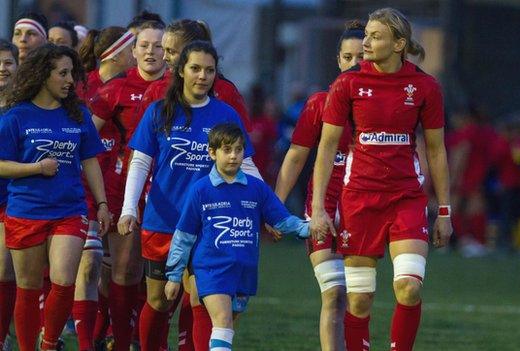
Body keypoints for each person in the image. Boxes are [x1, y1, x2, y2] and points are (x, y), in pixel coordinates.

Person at [309, 8, 452, 351]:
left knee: (409, 287)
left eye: (375, 36)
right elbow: (327, 147)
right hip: (359, 199)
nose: (366, 42)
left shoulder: (425, 87)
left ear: (399, 43)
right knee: (358, 302)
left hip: (406, 198)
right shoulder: (348, 83)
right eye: (367, 35)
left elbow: (436, 150)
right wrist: (317, 207)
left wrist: (444, 212)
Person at [117, 41, 255, 351]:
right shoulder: (159, 111)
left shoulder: (225, 114)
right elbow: (140, 162)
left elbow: (246, 165)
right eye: (195, 68)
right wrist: (129, 208)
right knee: (158, 299)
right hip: (162, 221)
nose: (202, 76)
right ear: (181, 71)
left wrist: (266, 211)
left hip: (208, 225)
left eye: (209, 70)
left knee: (201, 296)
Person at [0, 44, 110, 351]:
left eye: (72, 73)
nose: (70, 80)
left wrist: (102, 204)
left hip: (69, 210)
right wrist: (35, 167)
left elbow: (90, 160)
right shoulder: (15, 116)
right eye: (62, 73)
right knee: (28, 287)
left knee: (64, 281)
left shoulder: (78, 115)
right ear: (42, 74)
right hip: (25, 211)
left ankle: (49, 343)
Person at [164, 123, 309, 351]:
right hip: (211, 268)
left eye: (238, 150)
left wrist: (307, 228)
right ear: (212, 153)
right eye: (227, 150)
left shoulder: (256, 189)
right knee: (222, 321)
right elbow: (184, 236)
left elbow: (281, 219)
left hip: (244, 269)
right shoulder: (201, 190)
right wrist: (174, 276)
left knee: (226, 326)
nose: (233, 156)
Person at [273, 19, 364, 350]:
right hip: (321, 210)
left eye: (361, 57)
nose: (355, 64)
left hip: (363, 210)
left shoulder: (379, 108)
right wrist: (275, 208)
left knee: (357, 300)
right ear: (338, 60)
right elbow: (295, 157)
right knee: (335, 294)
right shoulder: (318, 104)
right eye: (348, 57)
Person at [87, 20, 166, 351]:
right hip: (125, 188)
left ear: (169, 52)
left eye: (158, 45)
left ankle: (147, 339)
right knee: (124, 268)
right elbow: (86, 140)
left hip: (166, 191)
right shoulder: (115, 89)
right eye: (144, 45)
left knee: (163, 277)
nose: (151, 51)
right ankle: (119, 340)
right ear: (133, 52)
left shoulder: (177, 88)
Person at [74, 26, 136, 351]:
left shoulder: (134, 86)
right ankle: (89, 341)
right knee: (89, 264)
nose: (138, 54)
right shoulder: (83, 87)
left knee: (114, 272)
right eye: (133, 47)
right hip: (86, 188)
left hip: (120, 187)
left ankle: (105, 332)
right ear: (117, 53)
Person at [138, 19, 252, 133]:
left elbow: (243, 140)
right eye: (163, 50)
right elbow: (142, 142)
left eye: (171, 52)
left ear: (192, 50)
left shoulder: (225, 90)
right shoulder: (156, 90)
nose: (164, 57)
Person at [0, 39, 18, 351]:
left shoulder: (24, 108)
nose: (2, 69)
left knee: (4, 271)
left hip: (11, 198)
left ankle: (1, 337)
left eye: (7, 63)